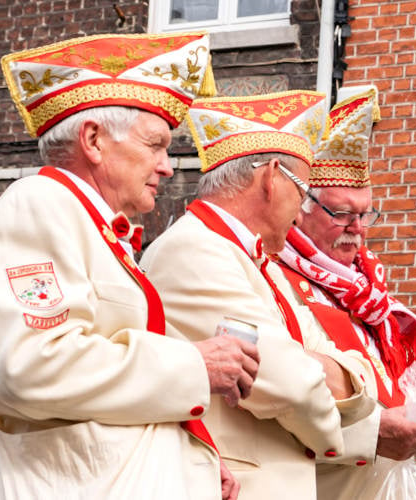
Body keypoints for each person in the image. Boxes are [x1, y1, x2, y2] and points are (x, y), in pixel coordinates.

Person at [0, 33, 260, 500]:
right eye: (155, 145)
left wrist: (189, 455)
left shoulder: (89, 226)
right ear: (94, 140)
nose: (167, 166)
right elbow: (31, 366)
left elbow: (101, 395)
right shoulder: (38, 204)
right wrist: (194, 362)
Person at [140, 90, 376, 499]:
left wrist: (311, 367)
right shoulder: (196, 249)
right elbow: (289, 382)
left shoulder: (252, 259)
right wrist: (321, 382)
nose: (301, 211)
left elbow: (355, 372)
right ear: (270, 178)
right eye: (302, 193)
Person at [276, 86, 416, 499]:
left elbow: (395, 399)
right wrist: (376, 432)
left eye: (365, 213)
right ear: (300, 209)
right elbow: (286, 400)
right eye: (341, 213)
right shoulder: (275, 278)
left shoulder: (370, 292)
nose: (357, 228)